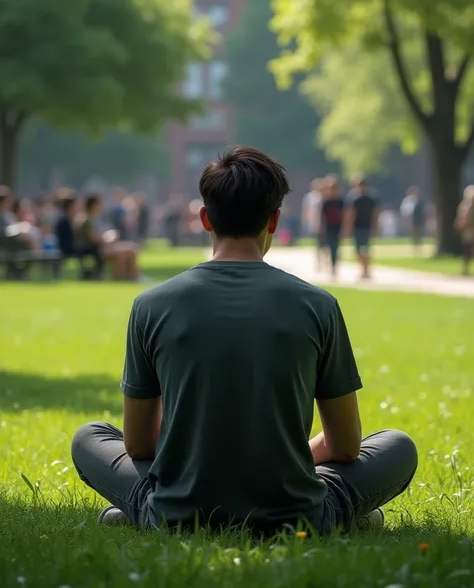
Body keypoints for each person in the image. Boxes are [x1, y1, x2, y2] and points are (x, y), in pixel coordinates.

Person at [71, 146, 417, 536]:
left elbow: (137, 445)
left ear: (205, 218)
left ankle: (144, 513)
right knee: (397, 445)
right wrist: (280, 459)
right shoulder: (318, 305)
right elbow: (346, 446)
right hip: (295, 514)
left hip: (179, 509)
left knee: (91, 438)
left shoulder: (151, 305)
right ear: (274, 220)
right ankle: (342, 515)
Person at [76, 195, 140, 281]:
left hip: (104, 246)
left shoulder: (96, 219)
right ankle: (118, 278)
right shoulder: (87, 220)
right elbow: (93, 239)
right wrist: (108, 239)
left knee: (132, 249)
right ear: (93, 205)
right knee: (123, 253)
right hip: (96, 249)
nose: (101, 206)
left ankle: (133, 276)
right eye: (99, 204)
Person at [55, 190, 104, 278]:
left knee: (94, 249)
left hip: (72, 248)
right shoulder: (65, 221)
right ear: (70, 206)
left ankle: (91, 273)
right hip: (69, 250)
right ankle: (94, 274)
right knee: (95, 250)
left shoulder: (69, 219)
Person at [346, 177, 380, 279]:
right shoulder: (355, 199)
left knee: (364, 249)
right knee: (361, 249)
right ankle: (364, 269)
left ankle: (365, 269)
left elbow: (375, 214)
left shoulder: (365, 199)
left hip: (364, 226)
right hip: (359, 226)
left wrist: (375, 227)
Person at [320, 176, 344, 277]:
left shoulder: (341, 202)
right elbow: (322, 216)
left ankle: (334, 267)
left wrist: (345, 228)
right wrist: (321, 228)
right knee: (328, 247)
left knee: (335, 248)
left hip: (337, 227)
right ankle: (328, 263)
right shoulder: (326, 202)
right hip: (328, 227)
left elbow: (344, 215)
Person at [301, 179, 326, 270]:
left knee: (323, 243)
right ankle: (319, 262)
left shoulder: (324, 197)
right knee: (319, 243)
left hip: (324, 223)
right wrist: (306, 221)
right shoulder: (310, 197)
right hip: (315, 223)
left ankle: (324, 261)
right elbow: (306, 210)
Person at [455, 185, 474, 276]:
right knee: (467, 249)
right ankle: (465, 268)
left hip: (469, 231)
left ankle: (465, 268)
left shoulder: (465, 206)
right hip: (469, 231)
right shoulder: (466, 206)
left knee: (468, 250)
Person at [400, 187, 425, 253]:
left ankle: (418, 247)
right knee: (414, 234)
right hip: (413, 220)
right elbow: (406, 212)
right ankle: (415, 247)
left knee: (418, 234)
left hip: (418, 220)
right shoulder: (408, 201)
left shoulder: (418, 201)